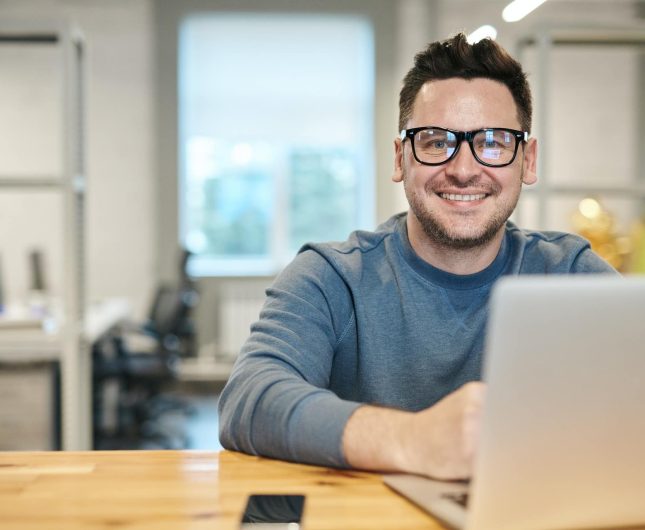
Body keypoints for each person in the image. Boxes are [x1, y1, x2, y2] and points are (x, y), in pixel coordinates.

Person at [218, 33, 616, 480]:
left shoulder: (570, 275)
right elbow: (250, 400)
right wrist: (413, 440)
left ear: (527, 159)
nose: (464, 170)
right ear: (399, 157)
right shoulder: (332, 277)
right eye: (434, 141)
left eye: (493, 142)